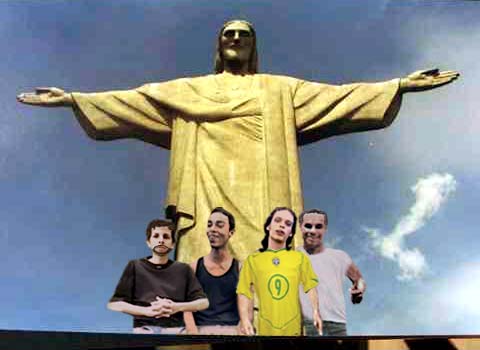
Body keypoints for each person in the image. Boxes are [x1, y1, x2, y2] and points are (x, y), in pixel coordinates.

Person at [17, 20, 459, 263]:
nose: (234, 39)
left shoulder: (277, 89)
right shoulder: (187, 89)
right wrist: (73, 98)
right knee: (202, 256)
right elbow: (136, 100)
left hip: (265, 185)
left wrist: (398, 84)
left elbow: (337, 97)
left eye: (243, 34)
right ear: (219, 45)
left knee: (270, 251)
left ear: (252, 46)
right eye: (228, 33)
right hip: (204, 183)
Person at [107, 219, 209, 334]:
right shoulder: (135, 266)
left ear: (173, 244)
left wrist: (176, 307)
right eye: (156, 236)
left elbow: (203, 302)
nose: (161, 240)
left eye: (166, 237)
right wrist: (146, 311)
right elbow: (114, 304)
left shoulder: (183, 269)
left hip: (176, 330)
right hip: (144, 329)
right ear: (148, 242)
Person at [237, 207, 322, 336]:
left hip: (293, 329)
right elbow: (244, 291)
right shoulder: (253, 260)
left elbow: (310, 286)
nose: (282, 225)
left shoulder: (299, 258)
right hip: (265, 329)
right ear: (268, 226)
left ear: (291, 233)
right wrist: (245, 320)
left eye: (288, 224)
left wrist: (316, 311)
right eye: (277, 220)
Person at [298, 209, 366, 336]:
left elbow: (359, 279)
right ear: (301, 227)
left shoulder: (340, 256)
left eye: (318, 227)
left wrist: (359, 290)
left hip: (338, 323)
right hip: (308, 324)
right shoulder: (293, 256)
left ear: (325, 229)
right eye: (308, 226)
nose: (312, 231)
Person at [183, 207, 241, 335]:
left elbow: (246, 313)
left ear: (231, 232)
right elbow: (187, 310)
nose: (213, 229)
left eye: (219, 225)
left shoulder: (241, 269)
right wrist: (195, 337)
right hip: (200, 332)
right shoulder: (193, 268)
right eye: (210, 225)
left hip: (231, 333)